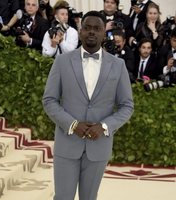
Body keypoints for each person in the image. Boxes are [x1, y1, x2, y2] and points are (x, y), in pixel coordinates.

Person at [43, 10, 134, 200]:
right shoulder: (62, 61)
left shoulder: (118, 65)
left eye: (97, 28)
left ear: (103, 33)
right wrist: (73, 125)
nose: (92, 32)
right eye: (87, 27)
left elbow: (126, 105)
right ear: (80, 30)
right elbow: (49, 100)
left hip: (98, 147)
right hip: (67, 145)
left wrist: (105, 126)